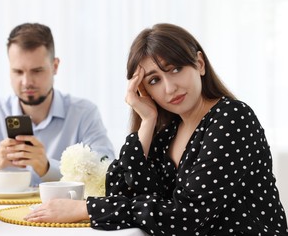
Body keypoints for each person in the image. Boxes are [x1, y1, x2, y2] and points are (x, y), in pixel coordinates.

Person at [24, 23, 288, 235]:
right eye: (154, 80)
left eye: (175, 69)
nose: (169, 88)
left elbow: (186, 217)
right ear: (143, 90)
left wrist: (86, 208)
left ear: (199, 64)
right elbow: (120, 190)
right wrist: (147, 121)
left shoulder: (231, 118)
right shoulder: (169, 131)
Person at [0, 23, 115, 188]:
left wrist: (48, 167)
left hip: (62, 215)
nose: (26, 82)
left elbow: (107, 172)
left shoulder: (84, 113)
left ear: (55, 66)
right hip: (0, 214)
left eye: (37, 71)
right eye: (18, 71)